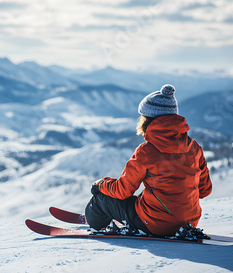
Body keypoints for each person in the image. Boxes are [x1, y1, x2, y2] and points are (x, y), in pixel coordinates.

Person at [85, 84, 212, 237]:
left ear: (148, 119)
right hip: (189, 223)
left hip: (155, 224)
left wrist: (100, 184)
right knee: (143, 196)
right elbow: (205, 190)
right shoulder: (194, 147)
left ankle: (96, 227)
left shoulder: (147, 151)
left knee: (100, 200)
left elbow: (122, 190)